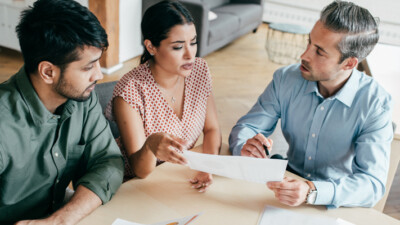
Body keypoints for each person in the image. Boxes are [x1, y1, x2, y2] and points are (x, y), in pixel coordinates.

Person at [229, 1, 393, 209]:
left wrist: (312, 191)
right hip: (283, 187)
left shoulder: (375, 103)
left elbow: (372, 183)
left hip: (334, 201)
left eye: (319, 52)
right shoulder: (285, 79)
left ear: (349, 63)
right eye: (309, 43)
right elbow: (247, 128)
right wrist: (245, 146)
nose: (304, 56)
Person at [0, 0, 124, 224]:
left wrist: (60, 220)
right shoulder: (3, 124)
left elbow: (107, 161)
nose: (99, 75)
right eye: (88, 67)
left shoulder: (82, 98)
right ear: (48, 72)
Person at [106, 0, 221, 192]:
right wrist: (151, 145)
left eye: (193, 43)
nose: (190, 55)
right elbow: (140, 170)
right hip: (136, 185)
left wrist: (206, 167)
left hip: (179, 176)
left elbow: (212, 129)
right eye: (178, 47)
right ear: (151, 47)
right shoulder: (130, 90)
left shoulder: (199, 70)